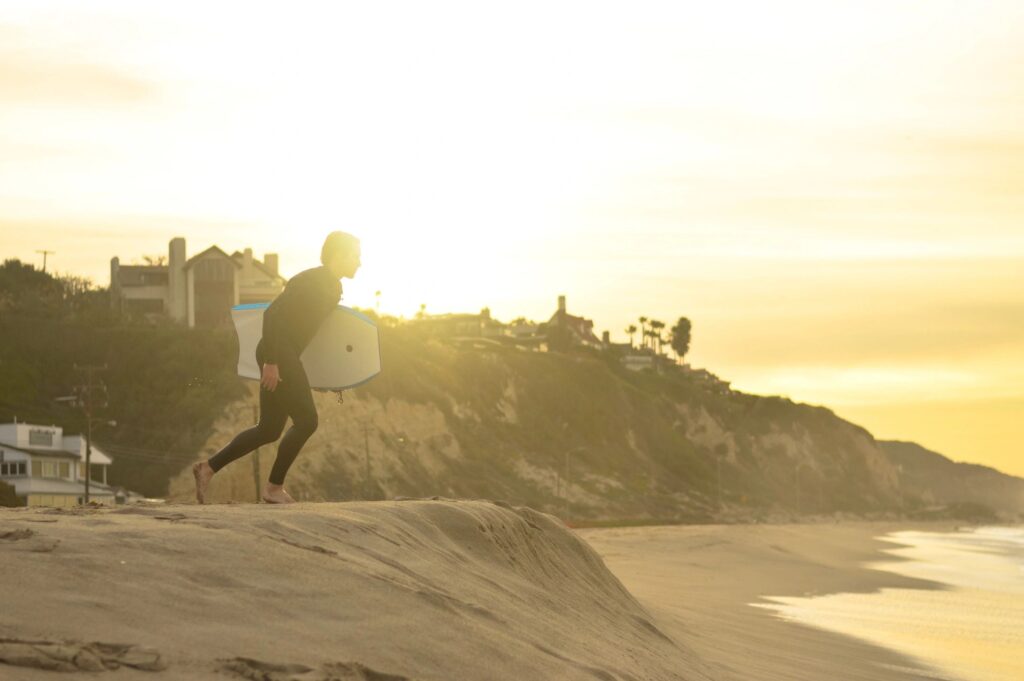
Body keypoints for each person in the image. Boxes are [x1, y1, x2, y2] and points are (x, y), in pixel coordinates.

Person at [192, 231, 361, 504]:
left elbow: (311, 336)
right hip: (277, 351)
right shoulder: (311, 281)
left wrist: (323, 376)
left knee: (269, 429)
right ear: (339, 255)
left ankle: (208, 468)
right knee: (308, 421)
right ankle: (273, 488)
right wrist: (272, 361)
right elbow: (273, 314)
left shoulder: (333, 287)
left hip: (285, 354)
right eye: (355, 255)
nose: (359, 262)